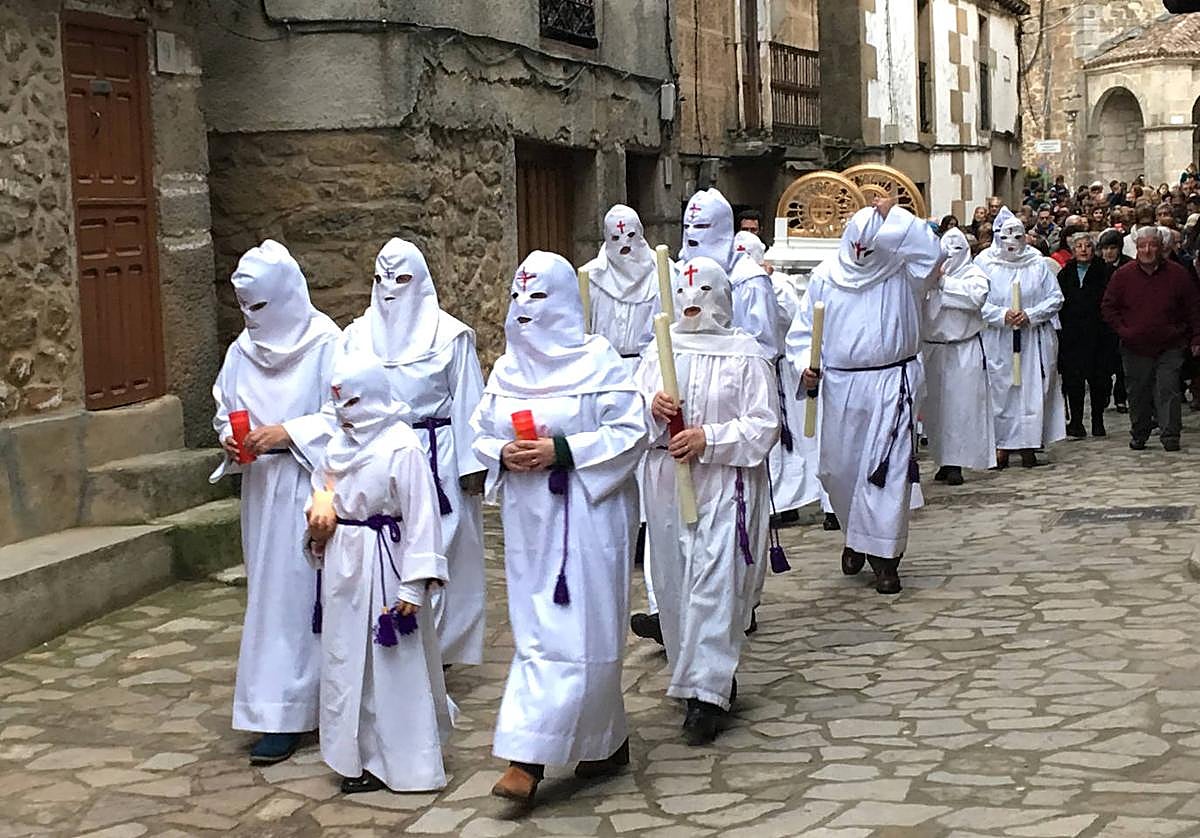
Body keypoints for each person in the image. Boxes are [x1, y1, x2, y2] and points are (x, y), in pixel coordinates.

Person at [470, 251, 648, 803]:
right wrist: (503, 451)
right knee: (539, 634)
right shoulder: (505, 370)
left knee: (583, 633)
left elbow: (630, 431)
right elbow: (477, 430)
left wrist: (565, 449)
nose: (525, 311)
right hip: (531, 523)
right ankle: (604, 741)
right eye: (518, 297)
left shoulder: (599, 362)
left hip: (589, 520)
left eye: (539, 298)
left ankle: (527, 758)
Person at [635, 255, 779, 745]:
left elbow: (763, 425)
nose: (692, 302)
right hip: (667, 484)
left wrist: (708, 438)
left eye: (703, 292)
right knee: (675, 587)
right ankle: (696, 674)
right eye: (685, 293)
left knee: (714, 585)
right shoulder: (658, 351)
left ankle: (708, 694)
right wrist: (651, 409)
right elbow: (631, 419)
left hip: (723, 486)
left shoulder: (746, 353)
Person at [209, 240, 341, 765]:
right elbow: (226, 404)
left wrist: (289, 432)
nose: (252, 319)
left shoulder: (328, 342)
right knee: (270, 600)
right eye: (244, 308)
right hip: (262, 490)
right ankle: (275, 707)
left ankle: (311, 707)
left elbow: (349, 413)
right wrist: (231, 436)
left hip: (311, 485)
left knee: (305, 599)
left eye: (260, 306)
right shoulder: (241, 351)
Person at [334, 238, 487, 668]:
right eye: (381, 279)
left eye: (401, 279)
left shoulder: (450, 336)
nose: (389, 290)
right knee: (387, 553)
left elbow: (468, 401)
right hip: (372, 458)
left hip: (436, 457)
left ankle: (432, 653)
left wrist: (473, 467)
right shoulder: (355, 337)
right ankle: (393, 649)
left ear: (419, 282)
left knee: (436, 550)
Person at [304, 357, 449, 794]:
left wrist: (414, 582)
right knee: (346, 662)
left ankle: (405, 760)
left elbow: (423, 516)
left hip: (386, 563)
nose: (346, 415)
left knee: (388, 665)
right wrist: (315, 527)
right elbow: (321, 492)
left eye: (352, 403)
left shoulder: (401, 446)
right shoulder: (336, 447)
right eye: (338, 405)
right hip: (342, 566)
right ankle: (357, 753)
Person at [790, 198, 941, 596]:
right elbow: (804, 331)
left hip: (894, 381)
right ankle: (855, 535)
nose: (861, 254)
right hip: (842, 386)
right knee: (838, 471)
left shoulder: (906, 272)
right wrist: (804, 366)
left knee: (886, 474)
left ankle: (886, 560)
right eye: (856, 244)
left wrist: (892, 214)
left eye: (870, 246)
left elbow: (932, 248)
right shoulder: (825, 277)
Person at [580, 205, 663, 646]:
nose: (625, 246)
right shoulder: (590, 278)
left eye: (631, 235)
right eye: (616, 238)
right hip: (607, 377)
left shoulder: (660, 274)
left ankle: (657, 594)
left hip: (647, 373)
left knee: (653, 474)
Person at [976, 208, 1066, 468]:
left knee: (1031, 391)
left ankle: (1029, 444)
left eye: (1017, 237)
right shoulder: (984, 264)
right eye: (1006, 238)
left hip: (1031, 338)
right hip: (999, 338)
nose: (1012, 243)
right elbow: (976, 299)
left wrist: (1031, 314)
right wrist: (1002, 314)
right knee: (1001, 390)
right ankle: (1001, 445)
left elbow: (1055, 297)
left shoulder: (1037, 263)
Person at [1101, 227, 1200, 452]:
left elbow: (1193, 307)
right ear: (1136, 248)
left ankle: (1170, 434)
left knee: (1168, 388)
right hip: (1135, 345)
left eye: (1152, 245)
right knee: (1138, 392)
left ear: (1161, 247)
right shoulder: (1123, 275)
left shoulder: (1177, 274)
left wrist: (1195, 337)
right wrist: (1124, 330)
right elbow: (1108, 307)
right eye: (1143, 245)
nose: (1147, 250)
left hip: (1170, 343)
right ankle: (1140, 432)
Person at [922, 228, 995, 485]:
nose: (951, 256)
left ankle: (957, 462)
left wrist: (943, 283)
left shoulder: (974, 274)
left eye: (957, 250)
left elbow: (975, 298)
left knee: (959, 408)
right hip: (932, 348)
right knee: (935, 410)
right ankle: (942, 458)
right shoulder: (926, 276)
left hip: (962, 349)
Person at [683, 188, 783, 358]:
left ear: (722, 228)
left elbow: (763, 345)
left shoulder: (749, 280)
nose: (691, 234)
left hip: (733, 374)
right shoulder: (681, 273)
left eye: (701, 226)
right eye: (687, 226)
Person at [1057, 233, 1115, 438]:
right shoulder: (1066, 274)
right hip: (1073, 335)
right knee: (1074, 380)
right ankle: (1076, 422)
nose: (1083, 249)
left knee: (1099, 379)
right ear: (1072, 250)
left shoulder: (1105, 271)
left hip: (1099, 334)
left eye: (1088, 246)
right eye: (1079, 246)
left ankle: (1098, 420)